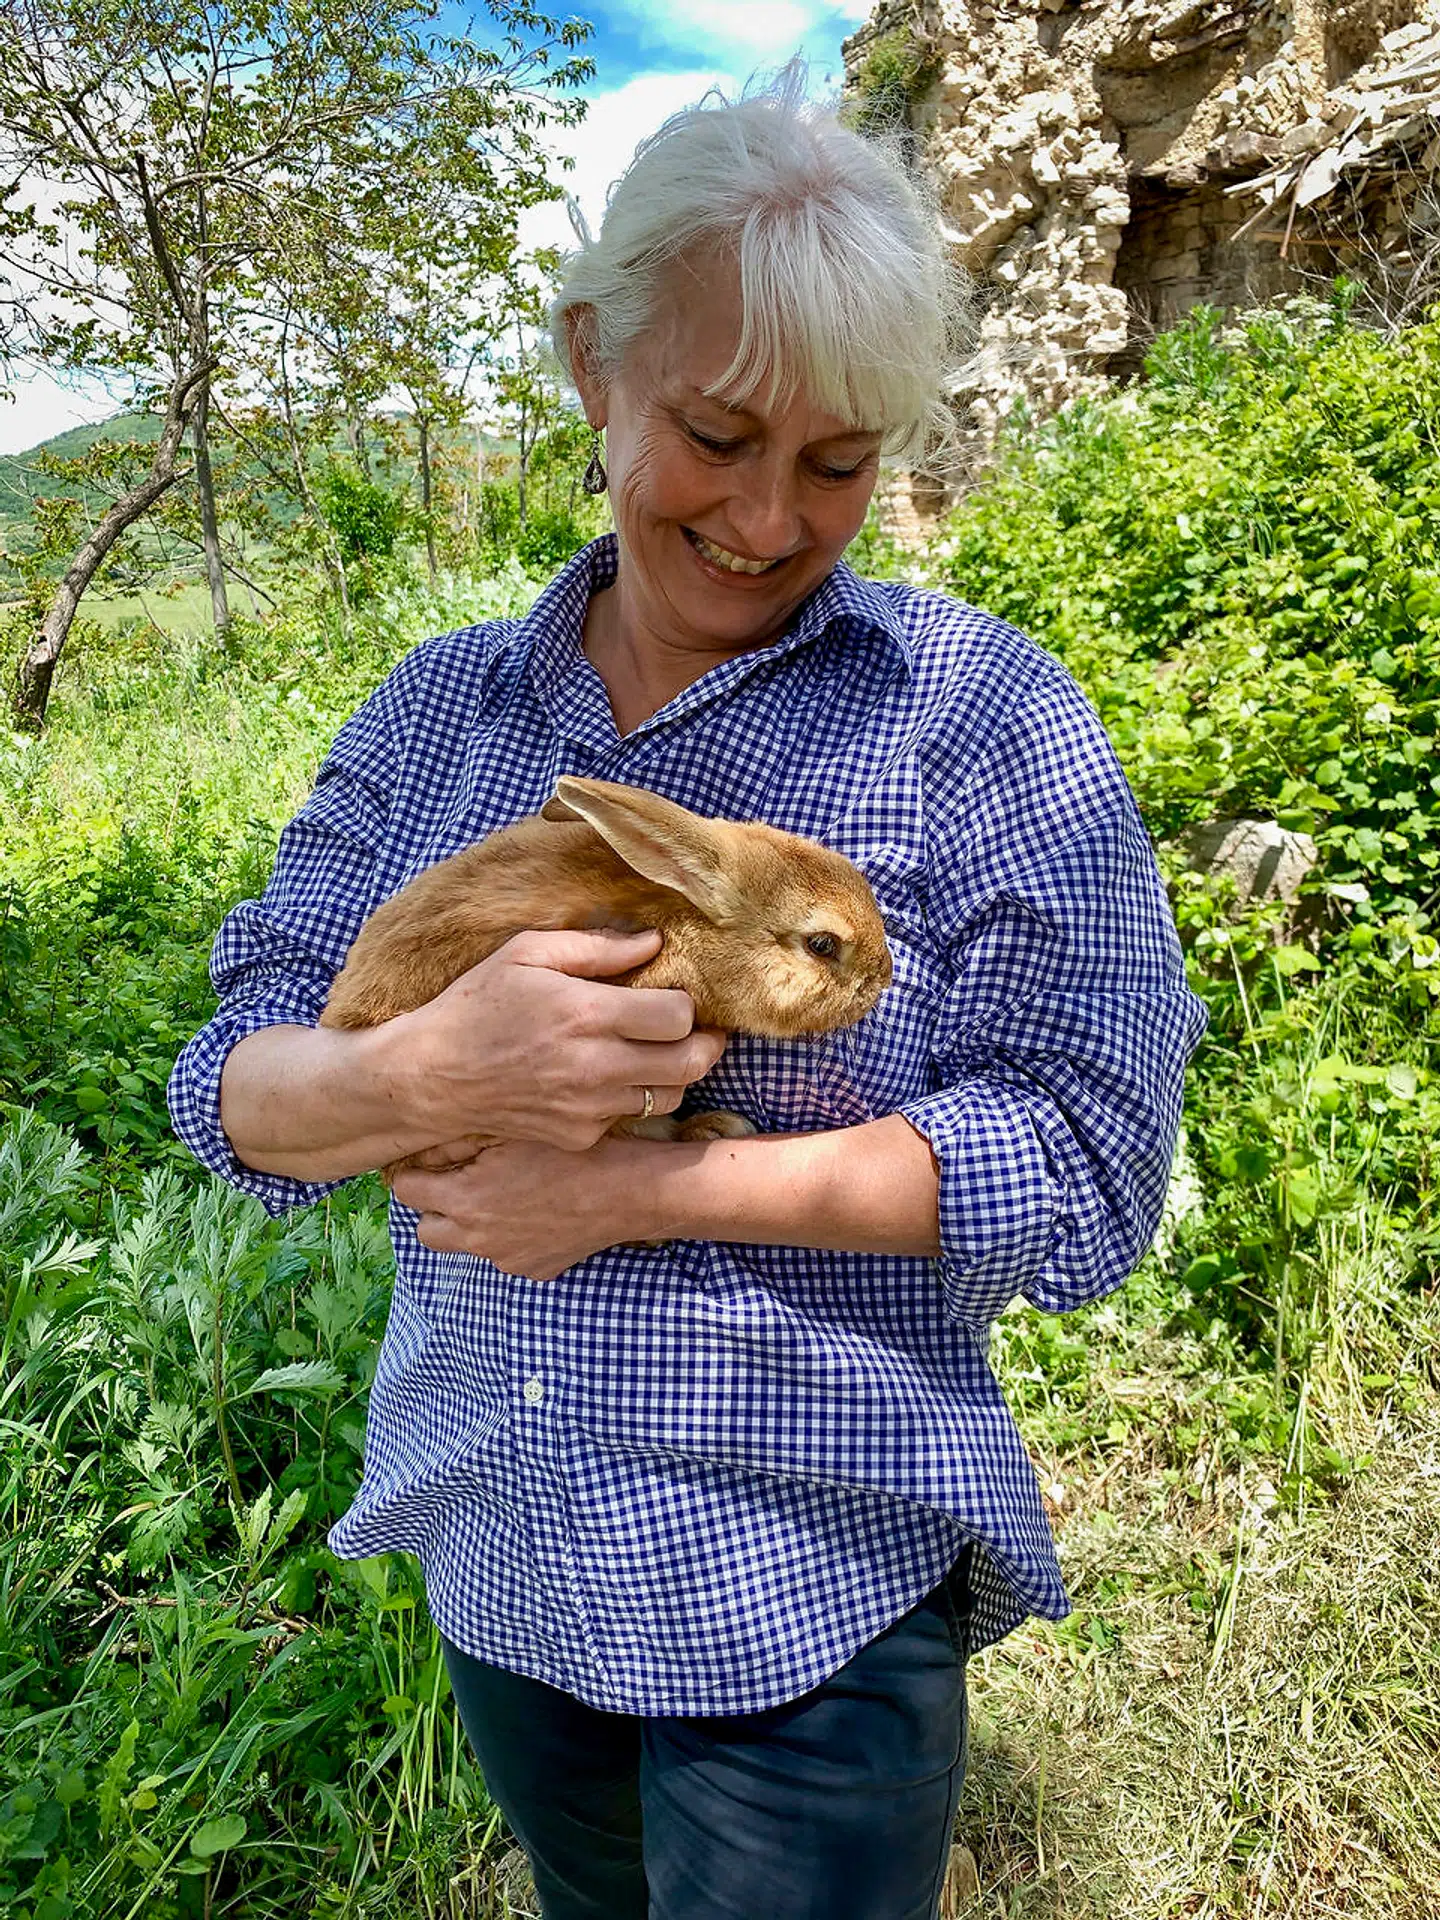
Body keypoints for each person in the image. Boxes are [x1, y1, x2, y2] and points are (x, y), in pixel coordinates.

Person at [169, 66, 1207, 1920]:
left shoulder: (982, 721)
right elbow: (235, 1079)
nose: (764, 517)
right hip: (502, 1552)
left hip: (795, 1598)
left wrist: (643, 1189)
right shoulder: (444, 715)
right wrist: (418, 1070)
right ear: (595, 369)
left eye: (836, 461)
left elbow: (1094, 1159)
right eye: (715, 433)